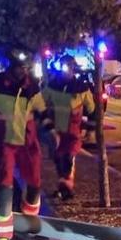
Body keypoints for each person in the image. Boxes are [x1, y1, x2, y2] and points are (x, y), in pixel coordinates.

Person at [0, 52, 52, 240]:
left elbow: (42, 112)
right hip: (3, 142)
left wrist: (51, 132)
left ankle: (30, 222)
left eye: (26, 69)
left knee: (34, 183)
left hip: (28, 143)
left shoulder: (31, 86)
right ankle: (4, 234)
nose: (23, 72)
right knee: (5, 184)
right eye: (20, 68)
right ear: (12, 67)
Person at [41, 56, 95, 201]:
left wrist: (91, 128)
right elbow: (41, 104)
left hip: (73, 131)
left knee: (69, 158)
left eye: (70, 66)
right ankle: (63, 187)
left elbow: (92, 109)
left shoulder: (81, 88)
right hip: (56, 131)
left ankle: (67, 188)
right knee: (58, 159)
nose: (67, 69)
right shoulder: (52, 86)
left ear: (73, 68)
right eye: (64, 66)